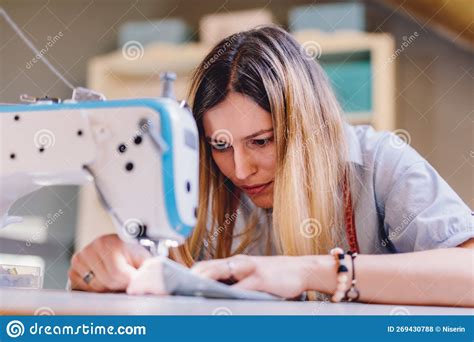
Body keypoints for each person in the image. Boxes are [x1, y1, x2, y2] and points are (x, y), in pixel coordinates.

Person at [69, 26, 473, 306]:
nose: (240, 170)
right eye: (220, 145)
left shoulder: (380, 163)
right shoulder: (210, 184)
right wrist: (107, 263)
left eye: (261, 141)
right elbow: (157, 268)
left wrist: (314, 272)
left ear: (308, 128)